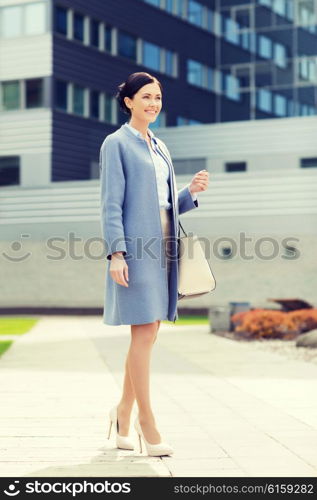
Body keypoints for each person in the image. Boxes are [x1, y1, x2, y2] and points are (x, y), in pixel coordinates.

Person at [99, 72, 209, 456]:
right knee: (143, 333)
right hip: (135, 251)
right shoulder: (116, 144)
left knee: (150, 334)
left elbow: (162, 204)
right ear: (128, 101)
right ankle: (148, 422)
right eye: (146, 97)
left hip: (165, 250)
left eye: (158, 97)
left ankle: (122, 413)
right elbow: (111, 203)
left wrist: (189, 193)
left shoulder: (161, 146)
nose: (153, 103)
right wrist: (116, 253)